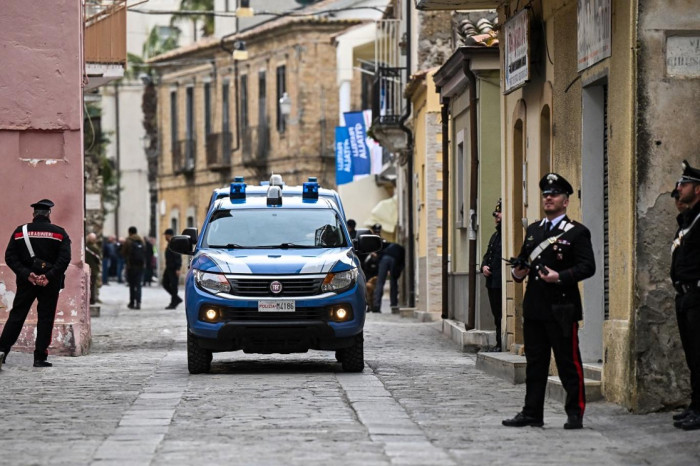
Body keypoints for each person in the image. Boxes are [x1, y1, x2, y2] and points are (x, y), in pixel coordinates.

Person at [502, 173, 595, 430]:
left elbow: (588, 267)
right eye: (545, 195)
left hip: (562, 308)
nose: (548, 198)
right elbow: (522, 266)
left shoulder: (577, 232)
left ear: (565, 201)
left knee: (568, 363)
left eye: (553, 195)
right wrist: (518, 272)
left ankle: (575, 413)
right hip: (535, 308)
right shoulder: (534, 231)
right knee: (535, 364)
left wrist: (559, 277)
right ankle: (532, 412)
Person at [0, 199, 71, 369]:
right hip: (50, 283)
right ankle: (40, 357)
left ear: (34, 214)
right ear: (48, 214)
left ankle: (2, 351)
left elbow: (10, 257)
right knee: (46, 318)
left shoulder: (20, 231)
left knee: (17, 316)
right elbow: (64, 259)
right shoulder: (59, 233)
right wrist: (48, 276)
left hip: (26, 282)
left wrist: (27, 274)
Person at [670, 160, 700, 431]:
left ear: (698, 189)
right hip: (684, 297)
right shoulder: (687, 221)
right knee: (692, 356)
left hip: (697, 295)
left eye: (684, 184)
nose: (679, 188)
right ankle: (695, 405)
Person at [481, 198, 503, 351]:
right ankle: (498, 342)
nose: (496, 217)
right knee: (496, 314)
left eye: (499, 213)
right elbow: (487, 255)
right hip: (492, 282)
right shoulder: (495, 236)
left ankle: (500, 343)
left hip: (501, 282)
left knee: (501, 314)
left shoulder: (506, 236)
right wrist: (483, 266)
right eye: (495, 215)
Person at [372, 241, 405, 314]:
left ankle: (376, 306)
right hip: (395, 260)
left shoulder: (383, 247)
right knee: (394, 283)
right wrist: (396, 273)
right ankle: (394, 305)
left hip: (385, 259)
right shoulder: (400, 250)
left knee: (380, 283)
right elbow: (401, 265)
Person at [121, 226, 146, 310]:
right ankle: (138, 303)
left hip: (131, 266)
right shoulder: (141, 241)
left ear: (129, 232)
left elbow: (123, 253)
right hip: (140, 266)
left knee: (132, 285)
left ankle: (132, 302)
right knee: (138, 285)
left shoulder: (128, 241)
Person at [163, 228, 183, 309]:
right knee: (165, 283)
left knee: (174, 286)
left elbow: (178, 256)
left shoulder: (174, 244)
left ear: (169, 235)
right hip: (169, 267)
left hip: (174, 268)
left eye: (165, 235)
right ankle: (176, 298)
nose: (165, 237)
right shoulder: (170, 243)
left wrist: (178, 268)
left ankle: (174, 302)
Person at [85, 232, 101, 305]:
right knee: (93, 285)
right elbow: (98, 260)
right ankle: (92, 299)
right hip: (94, 269)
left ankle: (87, 299)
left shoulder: (85, 248)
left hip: (86, 268)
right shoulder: (95, 249)